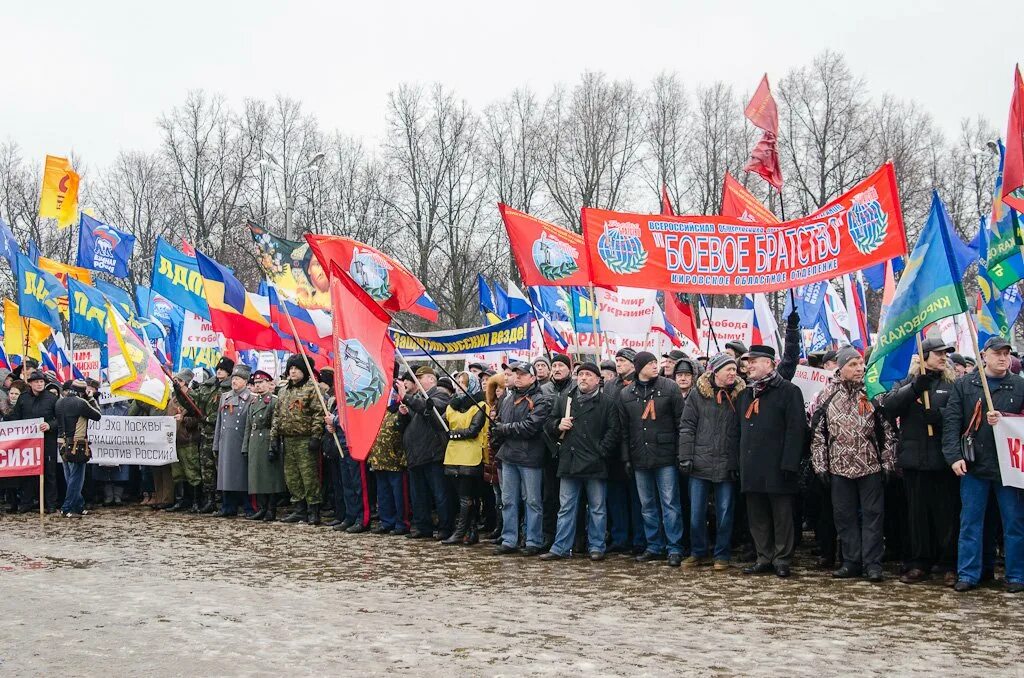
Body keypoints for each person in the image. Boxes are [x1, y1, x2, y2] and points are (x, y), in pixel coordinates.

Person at [942, 336, 1024, 593]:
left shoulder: (1019, 386)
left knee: (1014, 523)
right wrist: (954, 456)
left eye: (1006, 353)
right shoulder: (965, 385)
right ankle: (968, 573)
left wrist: (1006, 418)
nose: (1003, 358)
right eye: (997, 353)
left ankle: (1016, 575)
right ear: (984, 355)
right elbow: (952, 422)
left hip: (1008, 468)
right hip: (974, 465)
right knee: (970, 523)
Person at [811, 347, 897, 583]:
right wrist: (820, 466)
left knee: (873, 516)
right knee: (844, 516)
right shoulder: (826, 395)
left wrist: (889, 462)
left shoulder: (874, 393)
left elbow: (888, 432)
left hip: (870, 467)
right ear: (841, 368)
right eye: (853, 364)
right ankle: (851, 561)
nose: (859, 368)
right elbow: (818, 434)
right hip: (838, 469)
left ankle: (872, 564)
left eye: (861, 364)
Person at [880, 338, 960, 585]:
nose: (943, 357)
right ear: (924, 356)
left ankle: (948, 563)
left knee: (946, 515)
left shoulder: (953, 383)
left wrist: (940, 416)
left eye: (945, 353)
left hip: (943, 461)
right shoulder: (907, 382)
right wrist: (915, 388)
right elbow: (889, 407)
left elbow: (962, 413)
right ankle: (918, 562)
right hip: (914, 461)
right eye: (938, 353)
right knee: (917, 516)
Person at [737, 345, 806, 578]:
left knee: (782, 515)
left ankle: (782, 558)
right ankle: (763, 556)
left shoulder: (788, 391)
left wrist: (790, 463)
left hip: (778, 466)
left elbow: (796, 431)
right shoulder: (746, 394)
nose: (749, 366)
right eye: (748, 361)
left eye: (754, 361)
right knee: (757, 515)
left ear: (769, 363)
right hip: (751, 464)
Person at [540, 362, 620, 561]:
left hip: (595, 463)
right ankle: (560, 547)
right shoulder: (564, 401)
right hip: (570, 461)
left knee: (597, 508)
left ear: (597, 380)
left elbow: (613, 431)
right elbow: (548, 424)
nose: (583, 378)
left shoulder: (607, 402)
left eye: (588, 375)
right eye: (580, 374)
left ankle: (597, 546)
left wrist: (601, 451)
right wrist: (559, 425)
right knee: (566, 507)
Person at [678, 353, 744, 570]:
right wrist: (686, 457)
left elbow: (742, 433)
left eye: (735, 369)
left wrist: (737, 463)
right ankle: (698, 552)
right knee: (697, 513)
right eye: (729, 369)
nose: (733, 373)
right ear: (716, 372)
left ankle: (722, 555)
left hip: (727, 464)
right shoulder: (697, 395)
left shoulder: (741, 395)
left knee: (725, 513)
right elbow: (687, 427)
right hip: (700, 463)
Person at [620, 351, 686, 566]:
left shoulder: (670, 387)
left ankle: (674, 547)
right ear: (639, 368)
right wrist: (626, 458)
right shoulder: (626, 393)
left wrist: (680, 453)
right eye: (650, 363)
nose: (655, 366)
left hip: (665, 456)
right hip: (640, 456)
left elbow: (681, 423)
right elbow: (625, 430)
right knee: (647, 505)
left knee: (670, 504)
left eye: (656, 362)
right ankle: (654, 545)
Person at [492, 362, 553, 555]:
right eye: (515, 373)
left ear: (533, 378)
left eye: (522, 374)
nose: (517, 377)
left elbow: (530, 427)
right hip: (508, 456)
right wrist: (499, 431)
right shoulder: (507, 399)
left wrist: (504, 429)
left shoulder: (541, 400)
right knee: (508, 499)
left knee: (532, 501)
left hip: (530, 457)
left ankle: (533, 541)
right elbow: (501, 423)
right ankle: (509, 539)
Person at [397, 366, 453, 540]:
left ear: (431, 379)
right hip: (416, 455)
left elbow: (430, 409)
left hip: (432, 453)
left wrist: (406, 398)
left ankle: (445, 527)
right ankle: (423, 527)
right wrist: (404, 414)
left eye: (420, 378)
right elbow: (411, 421)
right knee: (418, 494)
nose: (417, 381)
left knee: (440, 493)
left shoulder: (440, 395)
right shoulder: (418, 398)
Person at [272, 355, 325, 525]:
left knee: (308, 476)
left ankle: (313, 510)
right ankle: (299, 509)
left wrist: (316, 435)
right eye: (291, 368)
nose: (293, 371)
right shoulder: (283, 390)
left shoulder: (312, 389)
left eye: (297, 368)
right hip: (288, 439)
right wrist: (273, 437)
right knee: (292, 477)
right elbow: (277, 415)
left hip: (305, 439)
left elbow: (319, 414)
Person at [441, 372, 489, 545]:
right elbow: (442, 425)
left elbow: (473, 430)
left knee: (466, 496)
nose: (460, 385)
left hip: (471, 455)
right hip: (453, 454)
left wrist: (453, 434)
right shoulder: (452, 405)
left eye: (464, 383)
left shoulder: (480, 404)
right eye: (458, 382)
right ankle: (471, 530)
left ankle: (460, 532)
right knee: (461, 496)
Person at [9, 371, 59, 512]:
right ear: (30, 383)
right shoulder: (23, 399)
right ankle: (26, 503)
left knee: (50, 473)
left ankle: (50, 504)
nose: (39, 384)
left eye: (42, 382)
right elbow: (15, 417)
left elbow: (59, 419)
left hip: (47, 441)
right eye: (36, 382)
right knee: (28, 473)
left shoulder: (51, 399)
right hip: (28, 443)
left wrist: (50, 425)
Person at [242, 370, 286, 521]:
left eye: (261, 383)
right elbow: (248, 426)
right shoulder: (253, 402)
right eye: (256, 384)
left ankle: (270, 509)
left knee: (270, 477)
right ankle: (261, 508)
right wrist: (245, 447)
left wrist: (273, 445)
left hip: (267, 439)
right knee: (257, 477)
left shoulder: (273, 401)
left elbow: (276, 424)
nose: (258, 386)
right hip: (255, 441)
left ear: (269, 383)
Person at [55, 379, 102, 518]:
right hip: (77, 444)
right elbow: (98, 415)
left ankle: (78, 506)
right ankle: (67, 507)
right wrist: (91, 398)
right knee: (76, 478)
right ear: (82, 392)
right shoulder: (81, 403)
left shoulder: (59, 402)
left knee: (69, 476)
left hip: (61, 443)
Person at [212, 364, 254, 518]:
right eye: (234, 378)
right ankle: (227, 506)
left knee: (242, 476)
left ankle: (248, 507)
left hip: (240, 441)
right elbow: (219, 422)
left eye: (238, 379)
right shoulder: (225, 396)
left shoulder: (251, 398)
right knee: (225, 476)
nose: (234, 381)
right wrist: (216, 443)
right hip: (226, 442)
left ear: (245, 381)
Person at [195, 356, 234, 512]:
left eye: (223, 369)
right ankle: (209, 500)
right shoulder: (208, 386)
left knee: (221, 468)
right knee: (207, 468)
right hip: (206, 434)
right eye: (218, 368)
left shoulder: (231, 389)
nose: (219, 371)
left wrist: (209, 418)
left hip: (222, 435)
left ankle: (223, 501)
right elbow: (194, 403)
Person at [368, 398, 408, 535]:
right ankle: (386, 522)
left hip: (395, 460)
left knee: (399, 495)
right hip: (379, 459)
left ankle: (401, 523)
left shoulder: (402, 409)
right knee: (383, 494)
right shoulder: (379, 411)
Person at [165, 369, 203, 512]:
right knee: (178, 473)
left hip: (189, 440)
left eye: (178, 381)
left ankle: (195, 501)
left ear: (185, 382)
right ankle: (181, 500)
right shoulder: (173, 400)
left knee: (192, 472)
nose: (176, 383)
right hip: (174, 440)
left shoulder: (193, 398)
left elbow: (200, 418)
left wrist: (185, 420)